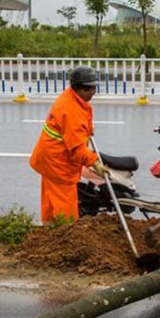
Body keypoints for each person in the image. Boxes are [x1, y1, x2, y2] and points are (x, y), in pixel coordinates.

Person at [29, 65, 109, 223]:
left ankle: (49, 231)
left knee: (51, 203)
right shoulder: (70, 109)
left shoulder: (72, 98)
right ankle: (65, 238)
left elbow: (74, 126)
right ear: (77, 89)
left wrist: (86, 129)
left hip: (49, 160)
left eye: (94, 88)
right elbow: (77, 149)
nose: (92, 92)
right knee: (65, 209)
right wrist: (95, 163)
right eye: (89, 89)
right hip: (57, 164)